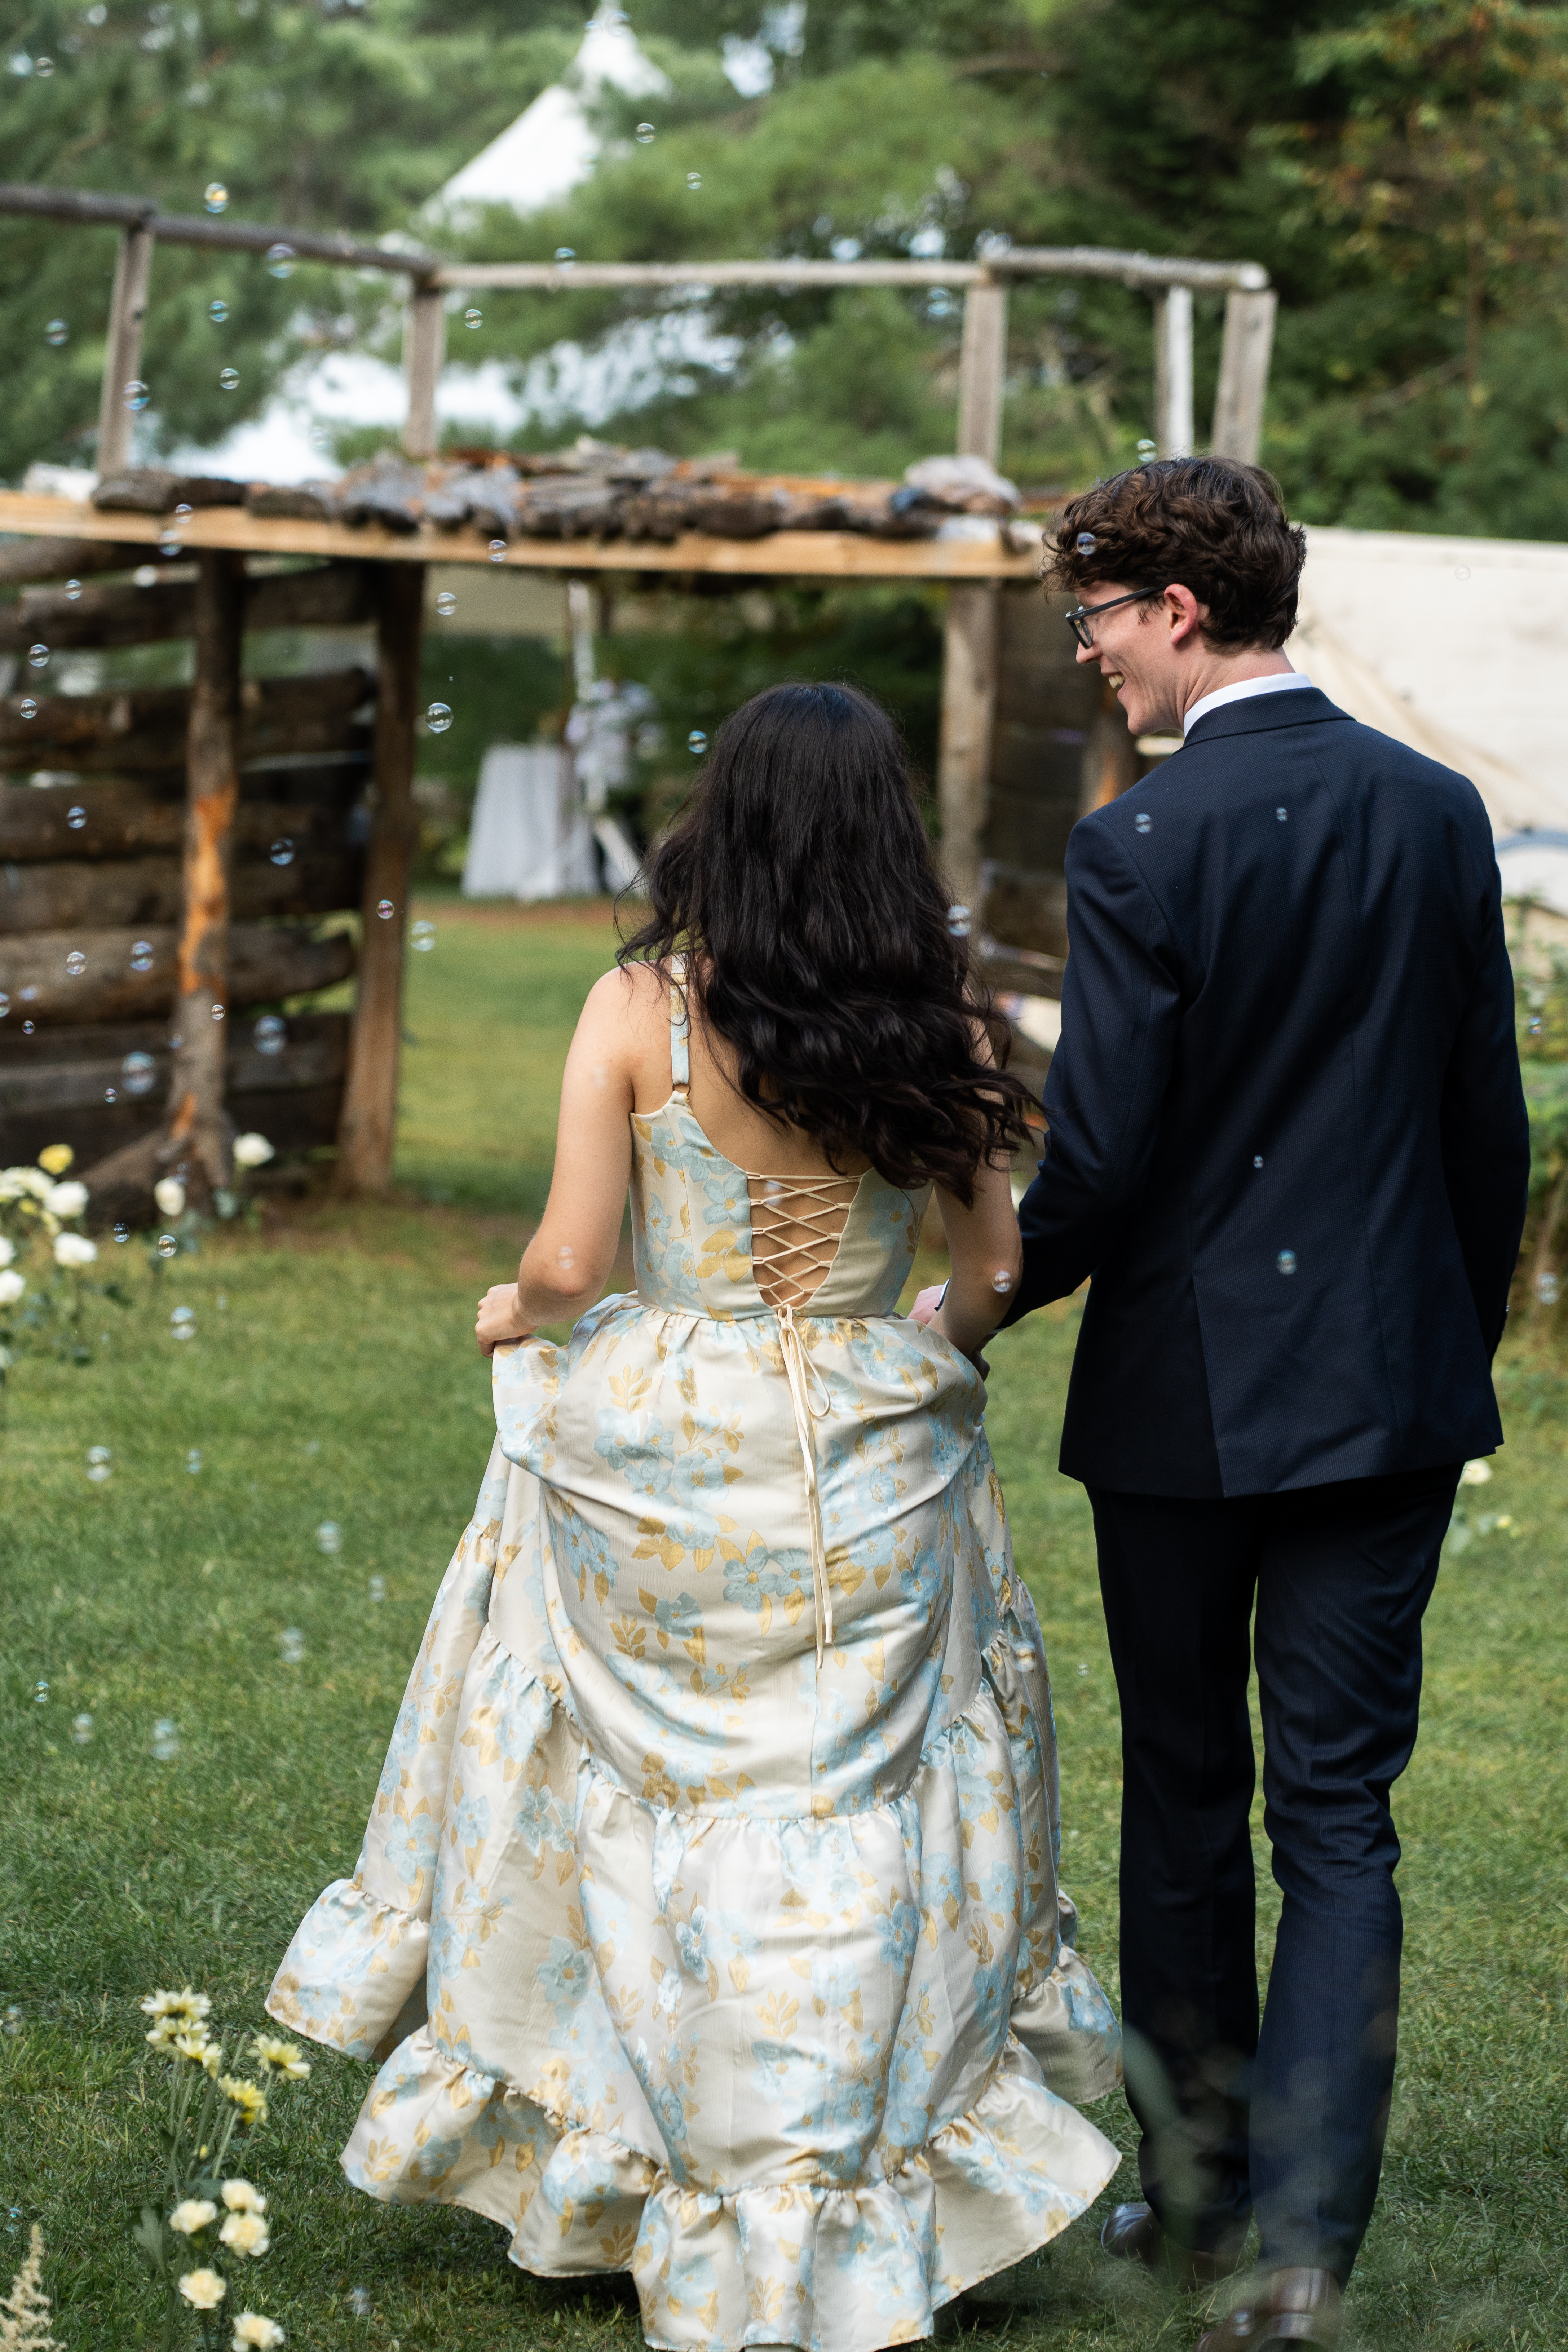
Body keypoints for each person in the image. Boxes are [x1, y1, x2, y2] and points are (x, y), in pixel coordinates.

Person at [268, 682, 1123, 2352]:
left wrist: (515, 1306)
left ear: (715, 817)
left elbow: (579, 1260)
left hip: (662, 1461)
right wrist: (901, 1358)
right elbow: (995, 1269)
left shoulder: (641, 1009)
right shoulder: (932, 1020)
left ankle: (640, 2158)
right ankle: (835, 2170)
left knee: (635, 1797)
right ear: (883, 828)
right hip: (866, 1460)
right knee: (853, 1809)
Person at [923, 457, 1528, 2351]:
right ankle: (1300, 2243)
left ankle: (1185, 2192)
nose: (1092, 657)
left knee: (1188, 1791)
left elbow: (1096, 1160)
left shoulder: (1146, 845)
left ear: (1180, 608)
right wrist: (1450, 1328)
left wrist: (978, 1306)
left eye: (1096, 620)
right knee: (1339, 1814)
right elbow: (1483, 1126)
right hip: (1393, 1385)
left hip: (1186, 1394)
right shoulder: (1440, 813)